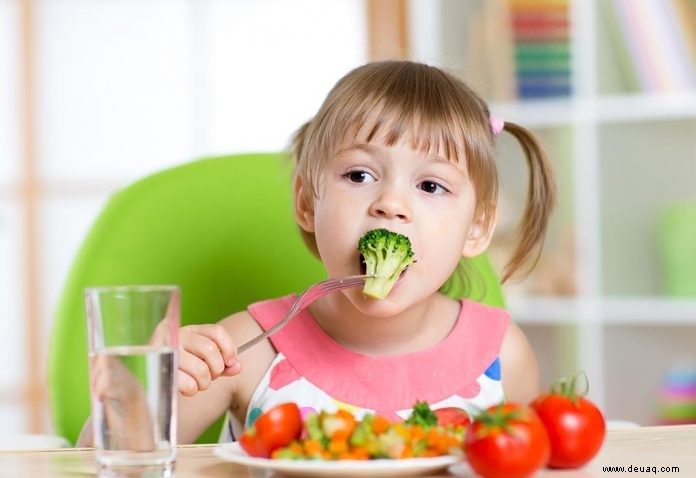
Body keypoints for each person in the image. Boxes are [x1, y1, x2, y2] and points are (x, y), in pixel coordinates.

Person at [78, 60, 556, 446]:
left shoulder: (503, 354)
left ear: (477, 228)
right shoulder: (249, 348)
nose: (390, 204)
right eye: (359, 176)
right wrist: (141, 390)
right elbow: (115, 463)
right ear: (309, 203)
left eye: (431, 185)